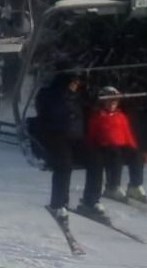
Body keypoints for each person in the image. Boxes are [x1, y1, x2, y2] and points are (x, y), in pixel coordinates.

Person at [35, 71, 101, 218]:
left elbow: (89, 109)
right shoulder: (50, 95)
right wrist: (64, 114)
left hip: (76, 138)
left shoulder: (79, 97)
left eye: (77, 83)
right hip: (56, 136)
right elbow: (44, 113)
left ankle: (91, 200)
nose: (75, 86)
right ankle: (58, 203)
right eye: (73, 83)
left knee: (96, 161)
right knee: (64, 165)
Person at [87, 86, 146, 203]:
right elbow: (91, 135)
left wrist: (134, 148)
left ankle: (134, 185)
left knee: (136, 155)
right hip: (106, 147)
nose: (112, 104)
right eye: (109, 101)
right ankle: (112, 186)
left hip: (121, 146)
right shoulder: (98, 117)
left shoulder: (121, 116)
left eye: (115, 101)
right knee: (115, 155)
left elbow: (128, 135)